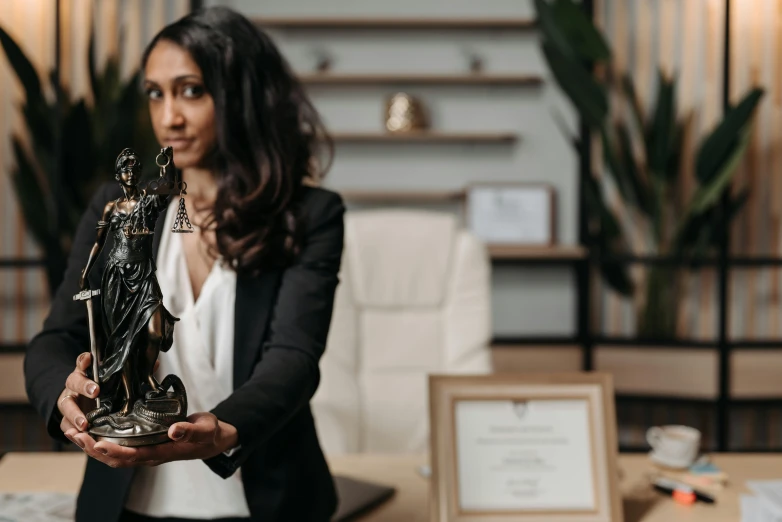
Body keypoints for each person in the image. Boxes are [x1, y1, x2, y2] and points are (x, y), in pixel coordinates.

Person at [24, 6, 343, 522]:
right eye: (156, 93)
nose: (169, 115)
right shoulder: (117, 207)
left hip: (268, 501)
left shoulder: (309, 215)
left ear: (240, 94)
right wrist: (63, 395)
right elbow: (55, 340)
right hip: (127, 505)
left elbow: (294, 358)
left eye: (191, 90)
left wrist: (223, 428)